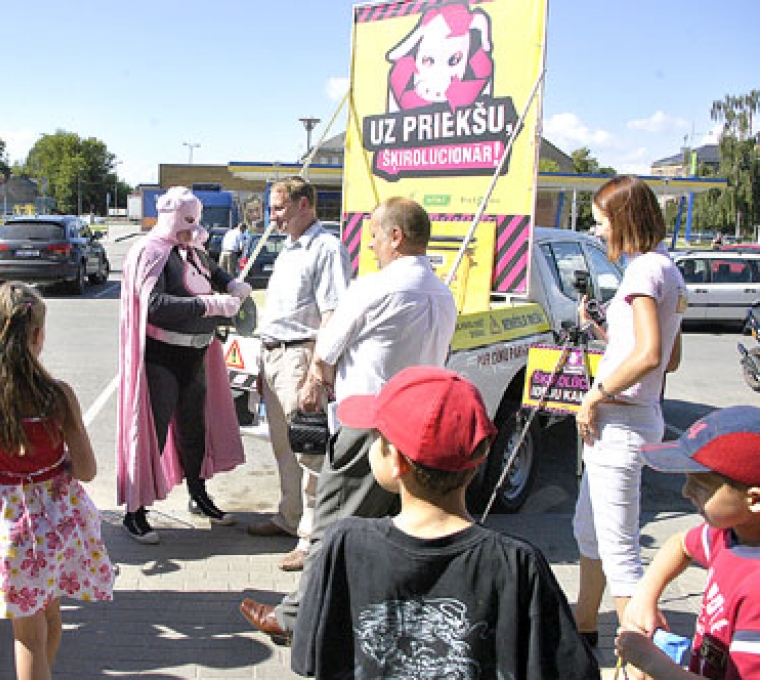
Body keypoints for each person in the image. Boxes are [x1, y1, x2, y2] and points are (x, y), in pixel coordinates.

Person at [289, 366, 599, 678]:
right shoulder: (517, 564)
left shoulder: (344, 545)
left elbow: (308, 657)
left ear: (395, 460)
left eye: (375, 438)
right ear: (479, 458)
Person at [241, 197, 458, 635]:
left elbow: (329, 345)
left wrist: (314, 384)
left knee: (332, 524)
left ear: (396, 236)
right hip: (418, 428)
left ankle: (295, 619)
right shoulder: (442, 290)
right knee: (396, 530)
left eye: (376, 234)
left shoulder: (375, 287)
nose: (372, 243)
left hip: (368, 426)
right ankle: (375, 615)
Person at [0, 282, 113, 680]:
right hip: (56, 523)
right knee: (49, 618)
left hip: (8, 527)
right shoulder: (58, 396)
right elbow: (87, 469)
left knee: (27, 633)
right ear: (38, 335)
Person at [572, 175, 687, 645]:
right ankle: (582, 626)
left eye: (600, 222)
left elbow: (649, 355)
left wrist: (596, 394)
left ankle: (635, 659)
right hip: (633, 418)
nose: (597, 232)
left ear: (622, 220)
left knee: (619, 550)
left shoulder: (642, 273)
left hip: (619, 421)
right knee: (590, 529)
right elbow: (667, 357)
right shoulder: (668, 269)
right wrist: (603, 332)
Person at [117, 186, 249, 543]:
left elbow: (211, 270)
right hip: (161, 357)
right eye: (187, 221)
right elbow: (155, 303)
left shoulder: (192, 248)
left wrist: (232, 284)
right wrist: (209, 306)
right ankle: (135, 511)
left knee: (195, 431)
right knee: (151, 434)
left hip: (196, 354)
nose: (193, 229)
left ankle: (198, 494)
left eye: (196, 221)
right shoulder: (151, 252)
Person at [248, 176, 351, 569]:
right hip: (274, 355)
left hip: (300, 358)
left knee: (309, 451)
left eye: (279, 209)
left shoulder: (326, 249)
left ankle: (312, 539)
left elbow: (333, 315)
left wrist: (315, 374)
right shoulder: (290, 248)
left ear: (305, 204)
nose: (272, 217)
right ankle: (289, 516)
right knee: (282, 446)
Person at [617, 406, 760, 680]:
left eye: (700, 486)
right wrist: (644, 599)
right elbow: (679, 544)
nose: (685, 492)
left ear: (754, 500)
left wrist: (652, 662)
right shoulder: (730, 534)